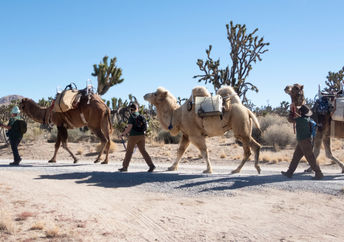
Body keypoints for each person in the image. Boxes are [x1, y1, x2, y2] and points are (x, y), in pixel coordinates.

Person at [281, 104, 324, 180]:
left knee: (311, 158)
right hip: (303, 141)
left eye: (300, 111)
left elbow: (290, 119)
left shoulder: (301, 120)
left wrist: (291, 112)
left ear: (302, 112)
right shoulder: (307, 119)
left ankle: (319, 173)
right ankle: (289, 172)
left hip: (304, 142)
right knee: (296, 157)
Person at [118, 102, 155, 172]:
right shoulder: (141, 116)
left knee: (129, 151)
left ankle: (125, 167)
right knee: (143, 151)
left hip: (133, 136)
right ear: (137, 109)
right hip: (142, 136)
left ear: (131, 109)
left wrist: (123, 134)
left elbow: (129, 127)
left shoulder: (131, 116)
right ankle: (151, 165)